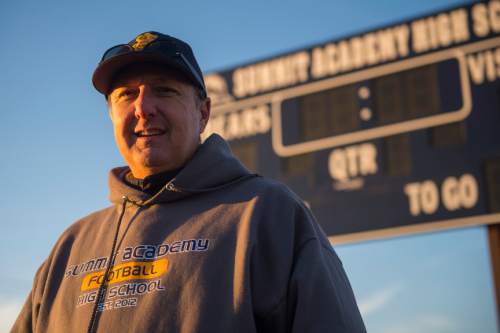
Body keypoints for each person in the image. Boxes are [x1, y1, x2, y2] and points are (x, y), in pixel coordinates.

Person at [12, 31, 366, 333]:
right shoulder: (72, 246)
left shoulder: (268, 213)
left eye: (164, 91)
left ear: (203, 113)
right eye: (126, 95)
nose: (143, 107)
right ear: (111, 114)